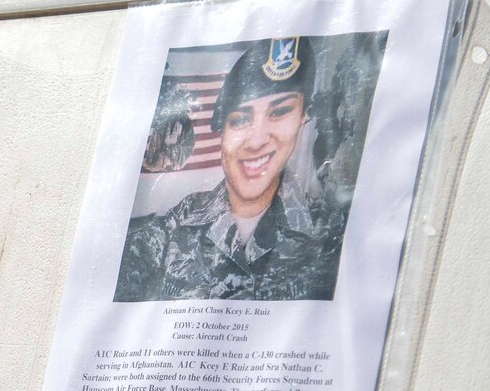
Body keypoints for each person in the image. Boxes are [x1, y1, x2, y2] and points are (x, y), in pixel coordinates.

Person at [116, 35, 344, 305]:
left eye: (280, 111)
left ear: (303, 117)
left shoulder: (333, 236)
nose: (257, 140)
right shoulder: (172, 229)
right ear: (222, 132)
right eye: (240, 119)